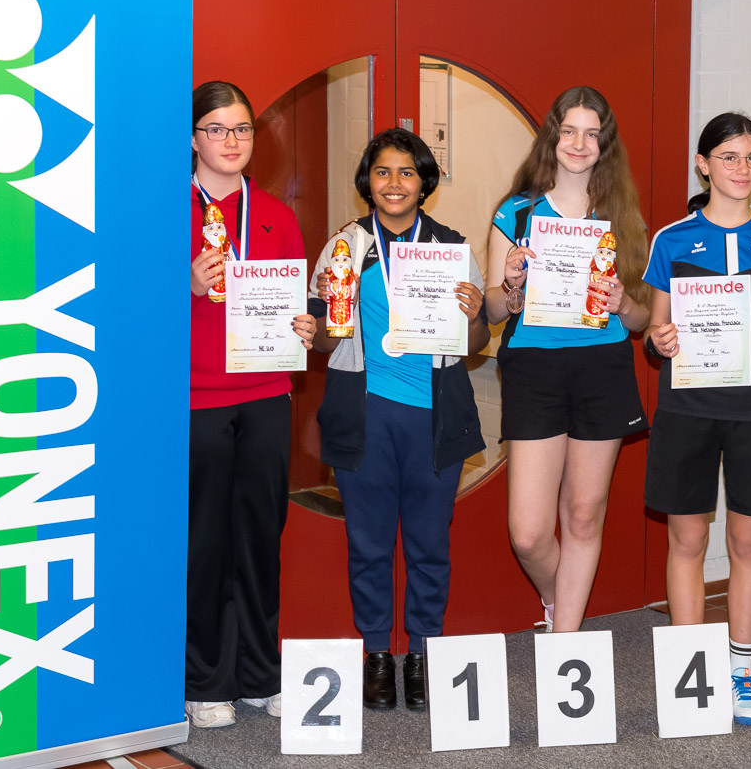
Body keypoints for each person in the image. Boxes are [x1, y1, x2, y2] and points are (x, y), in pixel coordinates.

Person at [309, 128, 489, 712]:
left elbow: (476, 344)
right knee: (368, 546)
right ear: (368, 180)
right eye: (383, 171)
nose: (394, 183)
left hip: (434, 419)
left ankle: (421, 653)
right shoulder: (344, 246)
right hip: (364, 415)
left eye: (406, 172)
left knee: (429, 546)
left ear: (423, 182)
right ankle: (376, 655)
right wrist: (321, 319)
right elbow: (323, 339)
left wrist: (475, 315)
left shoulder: (452, 247)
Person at [643, 112, 751, 726]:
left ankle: (741, 673)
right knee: (687, 541)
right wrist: (660, 339)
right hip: (687, 407)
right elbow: (656, 330)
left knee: (747, 542)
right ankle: (692, 677)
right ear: (703, 165)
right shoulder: (672, 240)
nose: (743, 168)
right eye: (730, 157)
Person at [484, 86, 651, 634]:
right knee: (529, 533)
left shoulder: (620, 216)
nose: (579, 144)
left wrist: (623, 303)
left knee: (583, 514)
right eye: (569, 130)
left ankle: (566, 641)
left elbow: (641, 320)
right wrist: (511, 285)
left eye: (592, 133)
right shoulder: (516, 212)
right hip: (535, 369)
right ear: (552, 136)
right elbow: (492, 310)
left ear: (606, 144)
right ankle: (561, 602)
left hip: (602, 368)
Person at [186, 81, 316, 728]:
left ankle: (262, 673)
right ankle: (205, 679)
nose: (231, 140)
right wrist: (183, 284)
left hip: (266, 395)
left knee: (262, 539)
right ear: (193, 139)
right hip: (196, 400)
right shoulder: (164, 212)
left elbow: (295, 305)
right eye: (216, 129)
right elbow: (127, 309)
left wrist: (305, 328)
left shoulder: (274, 214)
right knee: (204, 542)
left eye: (241, 128)